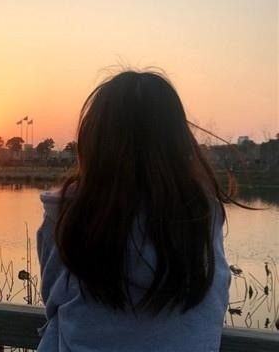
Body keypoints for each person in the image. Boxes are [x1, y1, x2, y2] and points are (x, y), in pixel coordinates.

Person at [37, 70, 232, 352]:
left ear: (94, 141)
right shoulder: (202, 216)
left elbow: (54, 298)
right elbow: (215, 301)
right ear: (178, 142)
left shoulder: (68, 215)